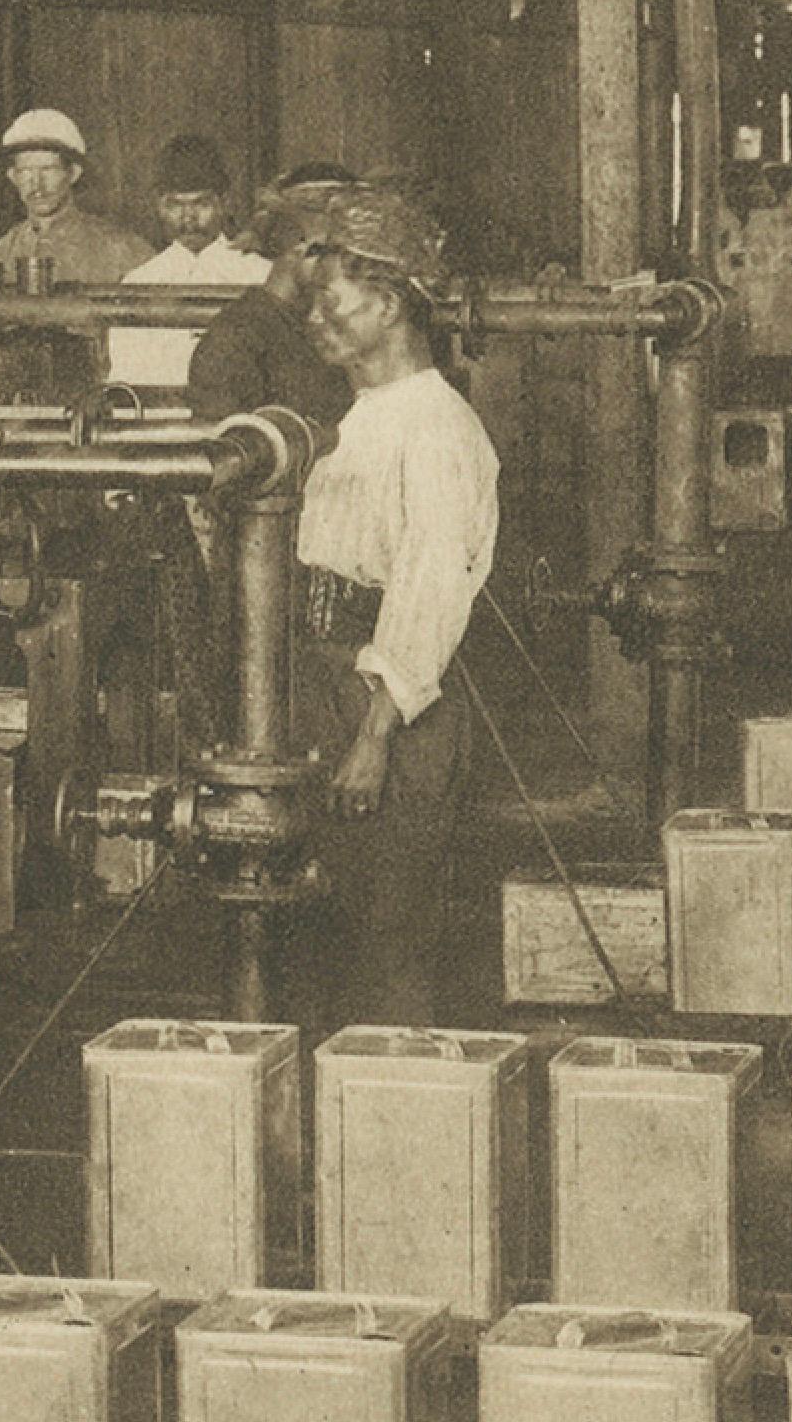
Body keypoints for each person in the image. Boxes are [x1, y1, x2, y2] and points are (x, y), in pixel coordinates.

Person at [289, 187, 498, 1026]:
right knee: (330, 924)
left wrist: (373, 738)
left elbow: (430, 589)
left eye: (331, 301)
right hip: (328, 679)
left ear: (389, 302)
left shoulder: (438, 430)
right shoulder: (367, 413)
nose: (316, 320)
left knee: (390, 936)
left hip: (390, 709)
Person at [0, 110, 154, 404]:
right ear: (12, 177)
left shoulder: (124, 251)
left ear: (74, 173)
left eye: (48, 170)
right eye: (25, 172)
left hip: (97, 408)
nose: (36, 185)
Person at [185, 164, 357, 429]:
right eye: (339, 253)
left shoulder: (329, 323)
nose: (349, 269)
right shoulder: (235, 337)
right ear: (302, 249)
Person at [106, 134, 271, 390]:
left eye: (201, 204)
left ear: (224, 203)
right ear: (160, 207)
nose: (188, 219)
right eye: (176, 206)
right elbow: (125, 379)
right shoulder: (139, 281)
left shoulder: (259, 275)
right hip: (158, 423)